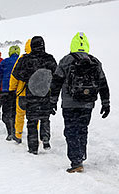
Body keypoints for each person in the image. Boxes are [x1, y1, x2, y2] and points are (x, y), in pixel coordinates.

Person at [51, 32, 110, 173]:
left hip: (69, 104)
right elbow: (103, 83)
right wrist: (105, 102)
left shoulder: (66, 60)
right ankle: (81, 155)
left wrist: (52, 101)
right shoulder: (95, 61)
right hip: (87, 104)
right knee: (82, 129)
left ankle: (76, 161)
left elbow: (56, 82)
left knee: (71, 131)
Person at [11, 36, 57, 154]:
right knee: (45, 117)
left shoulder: (25, 59)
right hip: (46, 94)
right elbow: (56, 76)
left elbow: (16, 73)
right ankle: (45, 138)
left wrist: (28, 77)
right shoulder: (49, 58)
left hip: (30, 94)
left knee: (32, 121)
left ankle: (33, 148)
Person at [9, 39, 32, 144]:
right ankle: (34, 136)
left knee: (20, 115)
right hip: (36, 94)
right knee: (33, 116)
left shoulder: (22, 59)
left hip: (22, 93)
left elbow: (14, 75)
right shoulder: (42, 59)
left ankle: (18, 135)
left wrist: (12, 89)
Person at [0, 45, 20, 141]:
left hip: (5, 90)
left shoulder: (4, 62)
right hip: (18, 90)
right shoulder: (21, 60)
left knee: (6, 112)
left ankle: (10, 132)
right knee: (16, 112)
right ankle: (16, 131)